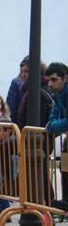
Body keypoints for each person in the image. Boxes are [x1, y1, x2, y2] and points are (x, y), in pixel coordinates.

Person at [44, 62, 68, 211]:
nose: (50, 84)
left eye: (54, 80)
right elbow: (52, 120)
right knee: (64, 167)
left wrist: (54, 125)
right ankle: (66, 200)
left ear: (65, 78)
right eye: (48, 80)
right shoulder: (58, 94)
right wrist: (55, 125)